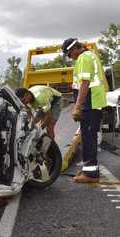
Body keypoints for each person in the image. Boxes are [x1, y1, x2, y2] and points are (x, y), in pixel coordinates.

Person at [62, 38, 107, 183]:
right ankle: (89, 168)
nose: (70, 57)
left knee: (88, 138)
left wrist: (77, 107)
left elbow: (85, 83)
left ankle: (91, 174)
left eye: (69, 54)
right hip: (94, 102)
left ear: (75, 48)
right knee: (89, 136)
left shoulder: (83, 58)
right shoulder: (90, 55)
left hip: (90, 103)